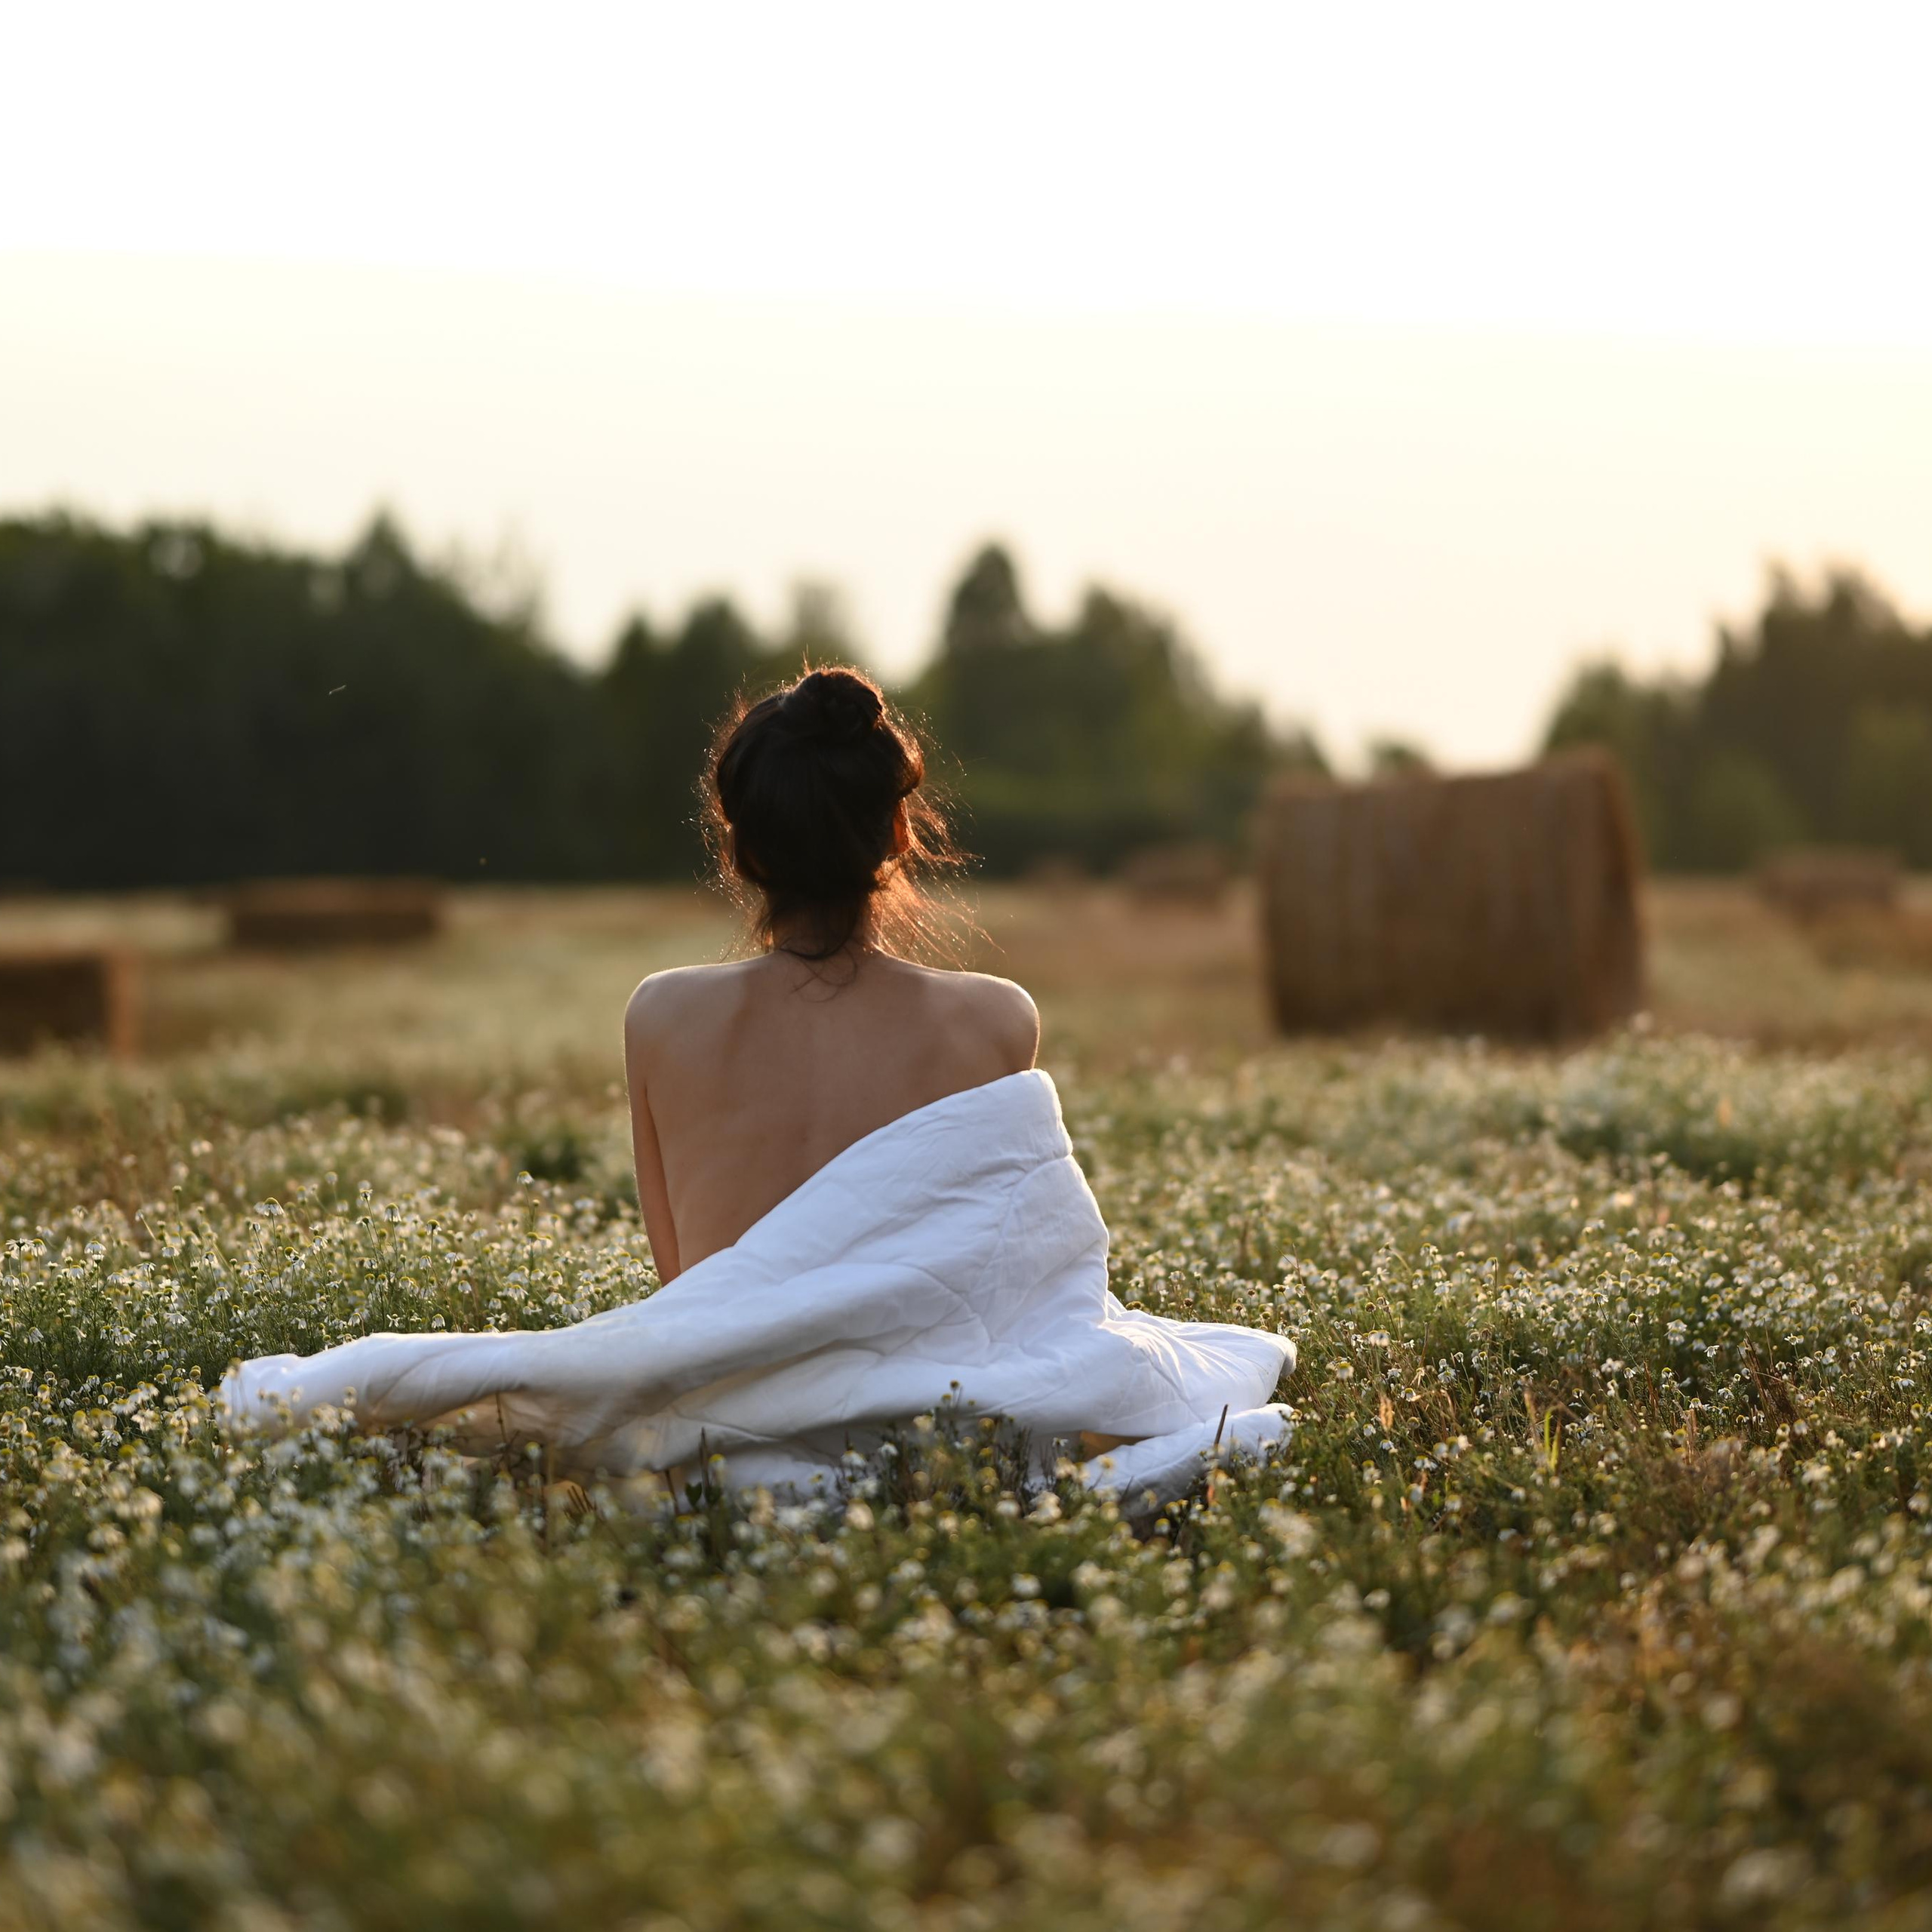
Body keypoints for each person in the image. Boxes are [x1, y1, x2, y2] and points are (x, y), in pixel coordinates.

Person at [622, 665, 1038, 1284]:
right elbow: (1000, 1273)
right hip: (928, 1383)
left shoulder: (661, 1015)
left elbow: (680, 1286)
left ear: (743, 852)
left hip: (733, 1381)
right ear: (898, 831)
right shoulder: (999, 1021)